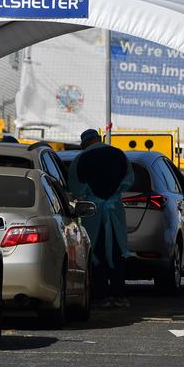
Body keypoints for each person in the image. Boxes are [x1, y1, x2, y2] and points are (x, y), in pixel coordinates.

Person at [68, 129, 134, 309]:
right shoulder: (119, 155)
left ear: (85, 143)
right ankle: (119, 295)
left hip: (93, 212)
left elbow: (75, 186)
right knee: (118, 251)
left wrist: (91, 195)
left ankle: (101, 296)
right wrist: (112, 194)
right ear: (99, 139)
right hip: (115, 212)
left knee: (95, 253)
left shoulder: (81, 159)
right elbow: (129, 179)